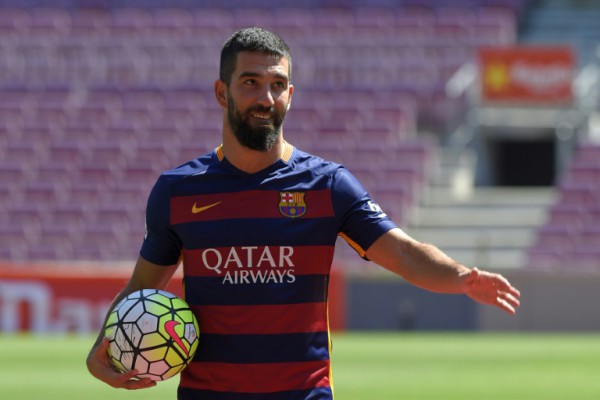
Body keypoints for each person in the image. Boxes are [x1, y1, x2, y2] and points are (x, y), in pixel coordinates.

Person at [87, 27, 520, 400]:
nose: (265, 97)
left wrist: (460, 276)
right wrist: (105, 341)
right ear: (222, 92)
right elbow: (144, 286)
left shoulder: (328, 185)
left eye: (277, 84)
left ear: (290, 95)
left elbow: (404, 254)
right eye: (250, 82)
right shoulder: (177, 191)